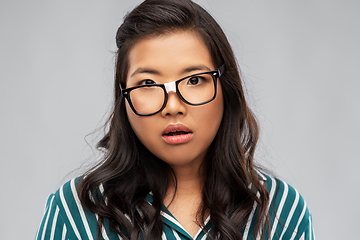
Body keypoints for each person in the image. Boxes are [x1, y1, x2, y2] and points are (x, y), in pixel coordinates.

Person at [35, 0, 315, 239]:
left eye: (194, 80)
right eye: (147, 83)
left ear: (225, 87)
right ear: (124, 98)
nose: (173, 106)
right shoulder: (76, 209)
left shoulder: (279, 210)